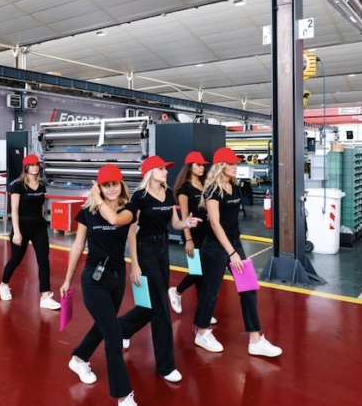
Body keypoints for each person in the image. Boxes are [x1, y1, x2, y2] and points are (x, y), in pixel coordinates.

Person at [60, 165, 143, 406]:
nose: (111, 188)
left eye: (114, 183)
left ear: (121, 185)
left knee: (105, 326)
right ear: (99, 187)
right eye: (105, 185)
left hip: (117, 278)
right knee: (114, 335)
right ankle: (123, 398)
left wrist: (136, 265)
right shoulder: (88, 212)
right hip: (93, 280)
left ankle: (78, 358)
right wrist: (67, 279)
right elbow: (77, 245)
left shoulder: (129, 209)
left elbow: (127, 233)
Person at [191, 147, 282, 358]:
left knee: (248, 289)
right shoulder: (212, 190)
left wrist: (234, 248)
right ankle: (201, 333)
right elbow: (215, 224)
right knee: (211, 291)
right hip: (216, 247)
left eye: (235, 163)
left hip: (234, 243)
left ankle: (255, 339)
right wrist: (232, 253)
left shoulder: (234, 187)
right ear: (220, 166)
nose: (235, 167)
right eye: (231, 164)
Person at [118, 155, 201, 383]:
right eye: (161, 169)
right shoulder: (139, 197)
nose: (166, 172)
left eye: (166, 169)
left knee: (151, 305)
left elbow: (174, 223)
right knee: (162, 308)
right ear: (149, 173)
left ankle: (122, 328)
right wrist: (135, 264)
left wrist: (186, 223)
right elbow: (131, 232)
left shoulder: (168, 193)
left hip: (163, 248)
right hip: (146, 249)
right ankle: (165, 365)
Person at [0, 154, 60, 309]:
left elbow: (41, 207)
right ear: (25, 167)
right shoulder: (18, 186)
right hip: (22, 226)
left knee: (43, 261)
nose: (34, 167)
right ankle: (4, 284)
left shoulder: (41, 185)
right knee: (16, 259)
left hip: (39, 227)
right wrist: (17, 232)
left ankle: (45, 296)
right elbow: (14, 210)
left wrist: (43, 221)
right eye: (31, 165)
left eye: (36, 165)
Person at [168, 151, 215, 321]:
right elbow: (184, 216)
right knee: (197, 272)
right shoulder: (184, 189)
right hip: (192, 234)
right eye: (198, 165)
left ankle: (203, 312)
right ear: (189, 167)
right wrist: (188, 239)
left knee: (204, 274)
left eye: (203, 165)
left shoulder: (205, 184)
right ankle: (177, 291)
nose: (202, 168)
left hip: (206, 233)